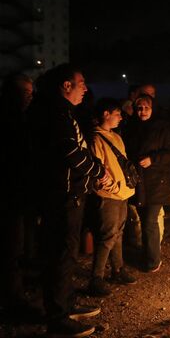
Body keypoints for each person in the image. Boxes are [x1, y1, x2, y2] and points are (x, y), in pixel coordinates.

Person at [28, 64, 111, 337]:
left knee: (65, 252)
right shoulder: (55, 111)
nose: (85, 89)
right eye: (81, 83)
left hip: (66, 192)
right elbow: (69, 151)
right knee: (61, 253)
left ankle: (66, 303)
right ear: (66, 86)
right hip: (62, 194)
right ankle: (59, 317)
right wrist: (98, 170)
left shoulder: (58, 110)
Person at [124, 94, 170, 272]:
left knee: (150, 221)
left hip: (158, 180)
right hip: (139, 180)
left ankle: (153, 260)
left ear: (153, 108)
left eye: (146, 107)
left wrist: (153, 159)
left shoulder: (164, 127)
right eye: (139, 108)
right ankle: (147, 253)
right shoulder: (131, 127)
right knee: (142, 219)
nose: (143, 111)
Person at [88, 98, 137, 297]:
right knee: (107, 235)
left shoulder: (116, 137)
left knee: (118, 233)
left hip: (122, 193)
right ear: (105, 114)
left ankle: (118, 269)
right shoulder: (95, 139)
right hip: (108, 195)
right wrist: (113, 186)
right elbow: (97, 169)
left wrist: (123, 187)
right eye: (117, 113)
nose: (120, 117)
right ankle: (96, 278)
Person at [0, 73, 35, 314]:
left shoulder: (23, 119)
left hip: (18, 193)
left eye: (31, 93)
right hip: (8, 194)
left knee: (16, 246)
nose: (29, 98)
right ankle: (13, 300)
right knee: (10, 248)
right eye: (25, 93)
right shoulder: (9, 121)